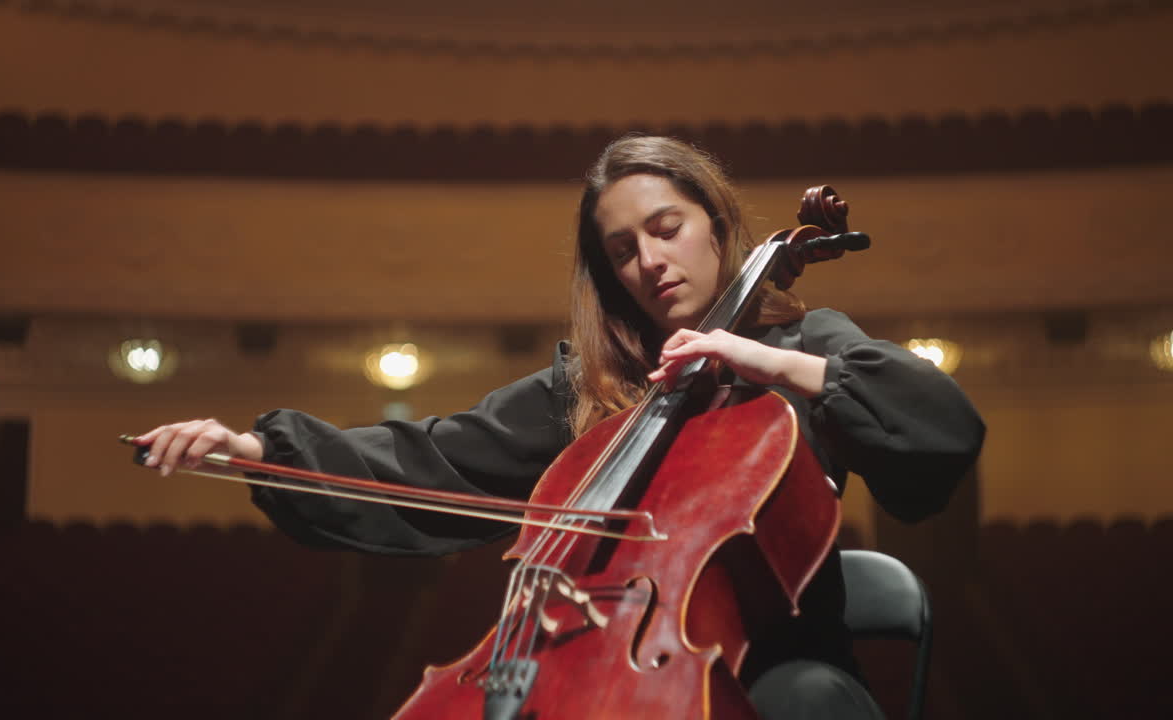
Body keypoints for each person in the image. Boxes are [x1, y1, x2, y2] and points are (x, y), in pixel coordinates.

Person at [136, 135, 985, 719]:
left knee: (807, 703)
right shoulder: (595, 390)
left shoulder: (807, 344)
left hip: (773, 676)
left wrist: (770, 362)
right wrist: (258, 450)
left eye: (667, 228)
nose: (649, 261)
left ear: (718, 229)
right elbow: (430, 456)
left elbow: (942, 431)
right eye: (622, 251)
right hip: (605, 666)